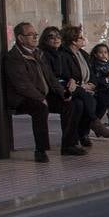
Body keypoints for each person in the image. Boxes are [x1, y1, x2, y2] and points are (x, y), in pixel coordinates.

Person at [3, 22, 66, 161]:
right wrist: (40, 97)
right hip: (21, 98)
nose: (35, 37)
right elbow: (22, 84)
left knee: (70, 103)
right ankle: (41, 150)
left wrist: (63, 93)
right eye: (31, 35)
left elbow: (50, 77)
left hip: (42, 94)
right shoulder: (14, 56)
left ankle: (70, 144)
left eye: (36, 34)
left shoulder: (39, 53)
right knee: (40, 109)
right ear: (20, 38)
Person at [58, 25, 109, 144]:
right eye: (80, 37)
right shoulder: (64, 54)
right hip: (74, 88)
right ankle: (91, 127)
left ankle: (88, 130)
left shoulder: (83, 54)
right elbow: (66, 74)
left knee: (103, 100)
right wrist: (81, 85)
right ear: (73, 41)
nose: (83, 39)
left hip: (87, 87)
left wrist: (92, 84)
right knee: (82, 103)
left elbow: (92, 73)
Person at [38, 25, 86, 156]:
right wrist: (64, 92)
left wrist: (72, 80)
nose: (56, 39)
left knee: (79, 104)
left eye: (58, 36)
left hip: (62, 89)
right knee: (72, 104)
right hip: (49, 94)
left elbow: (69, 73)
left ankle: (72, 141)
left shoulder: (61, 54)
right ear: (44, 39)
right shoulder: (43, 55)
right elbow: (50, 79)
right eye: (51, 37)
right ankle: (69, 144)